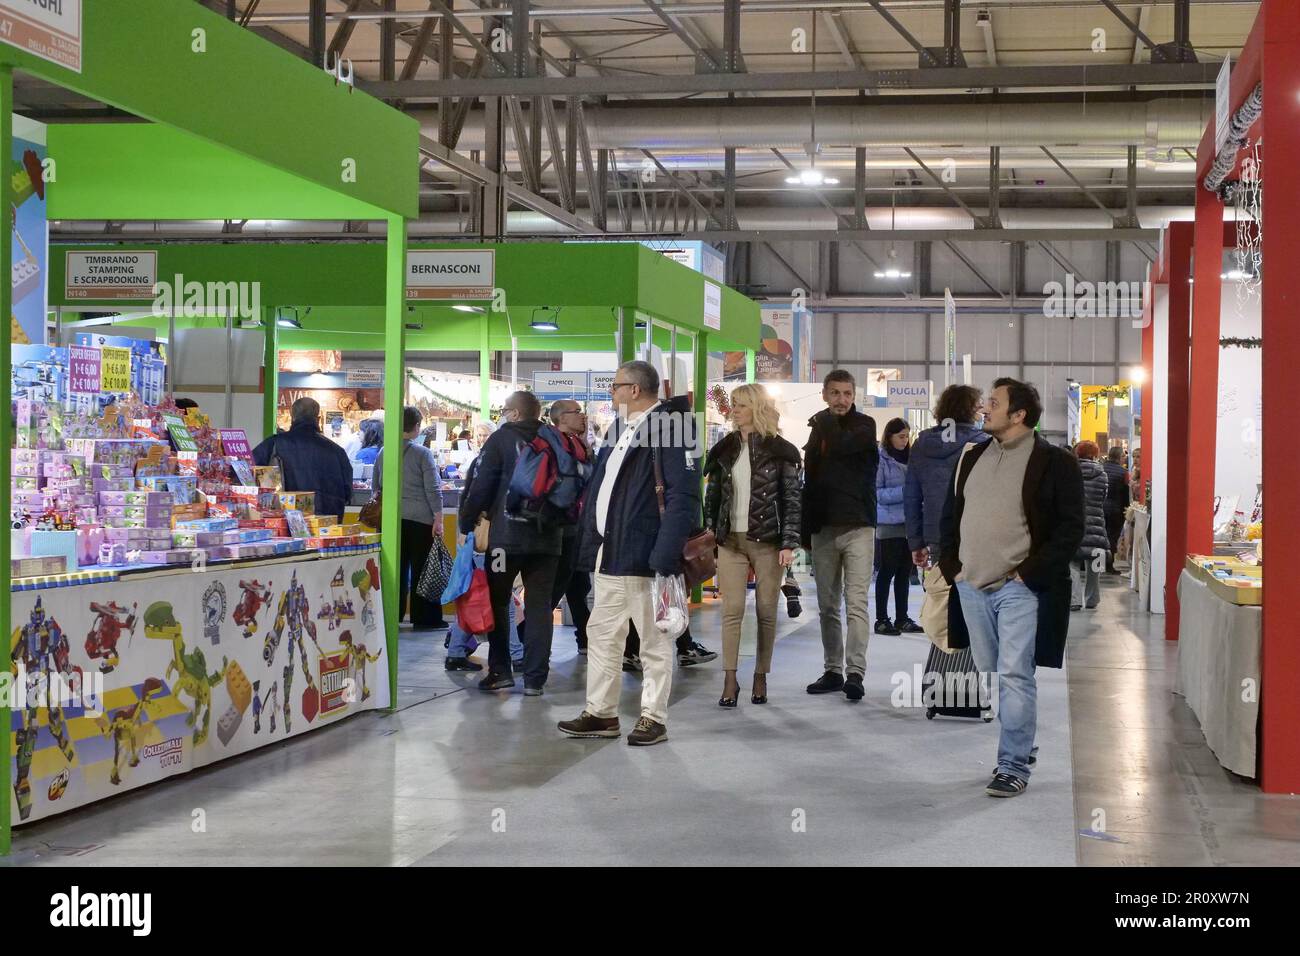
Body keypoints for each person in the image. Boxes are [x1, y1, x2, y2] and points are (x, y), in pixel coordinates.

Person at [939, 378, 1084, 798]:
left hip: (1020, 587)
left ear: (1018, 415)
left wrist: (1028, 574)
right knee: (994, 671)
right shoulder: (973, 455)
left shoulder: (1056, 463)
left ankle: (1012, 765)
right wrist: (954, 568)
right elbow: (952, 514)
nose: (985, 407)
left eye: (994, 402)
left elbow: (1070, 527)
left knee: (1015, 676)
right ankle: (1024, 740)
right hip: (971, 585)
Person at [557, 360, 699, 746]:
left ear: (634, 390)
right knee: (603, 635)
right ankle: (601, 713)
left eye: (615, 386)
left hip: (645, 555)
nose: (611, 393)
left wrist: (664, 555)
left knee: (653, 641)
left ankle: (654, 717)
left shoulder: (674, 427)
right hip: (610, 553)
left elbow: (682, 497)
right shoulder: (621, 428)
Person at [702, 383, 801, 707]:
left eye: (741, 405)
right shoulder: (725, 448)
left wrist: (789, 542)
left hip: (768, 542)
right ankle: (730, 679)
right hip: (731, 540)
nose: (735, 410)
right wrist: (710, 532)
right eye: (733, 405)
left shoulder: (780, 450)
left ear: (756, 408)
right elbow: (713, 495)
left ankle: (760, 674)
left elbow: (792, 500)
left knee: (766, 612)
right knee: (731, 611)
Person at [458, 391, 560, 695]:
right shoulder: (556, 440)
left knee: (500, 602)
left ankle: (501, 671)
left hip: (506, 540)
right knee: (540, 607)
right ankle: (535, 679)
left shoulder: (501, 440)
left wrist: (467, 522)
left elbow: (482, 485)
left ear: (515, 413)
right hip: (548, 539)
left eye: (505, 410)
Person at [801, 369, 878, 702]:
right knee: (827, 606)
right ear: (824, 394)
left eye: (847, 393)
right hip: (824, 529)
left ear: (855, 395)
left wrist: (822, 422)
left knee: (856, 603)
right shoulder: (817, 431)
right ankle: (832, 669)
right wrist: (804, 530)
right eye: (835, 393)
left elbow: (845, 446)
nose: (841, 400)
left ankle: (855, 673)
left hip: (858, 526)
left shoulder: (864, 427)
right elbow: (811, 483)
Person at [904, 385, 990, 629]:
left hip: (937, 534)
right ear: (970, 409)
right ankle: (971, 651)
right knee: (976, 596)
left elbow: (911, 496)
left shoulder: (921, 445)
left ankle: (946, 644)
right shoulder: (984, 444)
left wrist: (916, 542)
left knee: (944, 590)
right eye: (978, 405)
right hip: (977, 533)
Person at [444, 421, 522, 672]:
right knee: (501, 598)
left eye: (486, 434)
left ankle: (456, 652)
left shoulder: (483, 463)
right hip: (487, 540)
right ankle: (516, 654)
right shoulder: (493, 466)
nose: (482, 439)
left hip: (477, 540)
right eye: (481, 435)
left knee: (474, 594)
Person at [529, 399, 594, 654]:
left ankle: (585, 640)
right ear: (561, 418)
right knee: (555, 588)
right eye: (576, 412)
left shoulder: (577, 444)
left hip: (575, 527)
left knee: (577, 586)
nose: (582, 416)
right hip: (559, 528)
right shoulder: (555, 446)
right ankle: (528, 642)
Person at [374, 407, 446, 629]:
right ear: (416, 428)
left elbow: (376, 487)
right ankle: (425, 617)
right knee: (423, 570)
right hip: (420, 519)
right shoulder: (422, 454)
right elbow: (433, 488)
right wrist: (439, 517)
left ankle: (392, 614)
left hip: (392, 520)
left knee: (395, 569)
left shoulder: (385, 452)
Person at [252, 396, 353, 519]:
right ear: (318, 418)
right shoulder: (337, 451)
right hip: (326, 522)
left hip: (286, 520)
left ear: (292, 416)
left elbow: (248, 472)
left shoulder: (274, 444)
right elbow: (347, 492)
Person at [874, 418, 921, 636]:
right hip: (889, 522)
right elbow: (877, 493)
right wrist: (905, 491)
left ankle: (902, 617)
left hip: (909, 522)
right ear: (890, 436)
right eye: (900, 436)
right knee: (887, 570)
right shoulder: (881, 459)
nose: (904, 440)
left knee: (904, 571)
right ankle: (882, 619)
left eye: (906, 436)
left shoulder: (913, 458)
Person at [1072, 441, 1111, 611]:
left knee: (1071, 561)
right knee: (1095, 561)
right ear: (1095, 454)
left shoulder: (1070, 471)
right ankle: (1092, 598)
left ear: (1077, 454)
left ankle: (1074, 600)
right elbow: (1103, 498)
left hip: (1074, 521)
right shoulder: (1102, 475)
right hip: (1096, 522)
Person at [1102, 445, 1131, 572]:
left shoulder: (1101, 468)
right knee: (1112, 537)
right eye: (1124, 456)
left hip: (1101, 508)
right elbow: (1125, 495)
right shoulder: (1123, 473)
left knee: (1101, 535)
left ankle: (1098, 563)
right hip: (1116, 510)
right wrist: (1126, 510)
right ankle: (1109, 564)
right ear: (1120, 457)